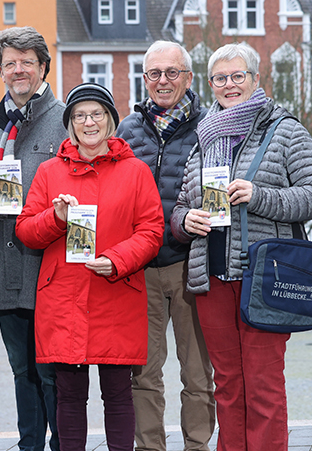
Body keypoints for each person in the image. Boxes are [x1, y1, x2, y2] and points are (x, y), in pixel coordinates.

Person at [170, 43, 312, 451]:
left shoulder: (285, 130)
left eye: (237, 76)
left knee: (262, 386)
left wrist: (259, 194)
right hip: (213, 278)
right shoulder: (203, 138)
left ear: (255, 79)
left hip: (265, 279)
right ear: (210, 85)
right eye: (221, 78)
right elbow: (181, 207)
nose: (229, 85)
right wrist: (185, 221)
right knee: (226, 385)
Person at [15, 82, 164, 451]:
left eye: (97, 113)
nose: (89, 122)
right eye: (80, 115)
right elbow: (27, 230)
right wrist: (57, 217)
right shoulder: (50, 171)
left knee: (117, 394)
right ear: (71, 124)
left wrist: (117, 260)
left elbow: (151, 229)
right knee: (68, 396)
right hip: (65, 296)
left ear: (111, 120)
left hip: (116, 292)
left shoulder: (136, 172)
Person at [0, 26, 67, 451]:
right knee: (21, 369)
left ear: (43, 66)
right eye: (10, 63)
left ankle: (65, 442)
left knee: (55, 371)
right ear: (0, 71)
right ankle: (30, 444)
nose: (19, 70)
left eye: (28, 61)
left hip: (52, 269)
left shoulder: (67, 121)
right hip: (8, 270)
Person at [115, 40, 215, 451]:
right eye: (155, 73)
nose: (163, 81)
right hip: (141, 269)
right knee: (144, 372)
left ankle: (197, 445)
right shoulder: (127, 129)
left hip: (190, 264)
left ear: (188, 78)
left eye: (172, 72)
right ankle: (150, 447)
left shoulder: (210, 126)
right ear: (144, 79)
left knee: (196, 372)